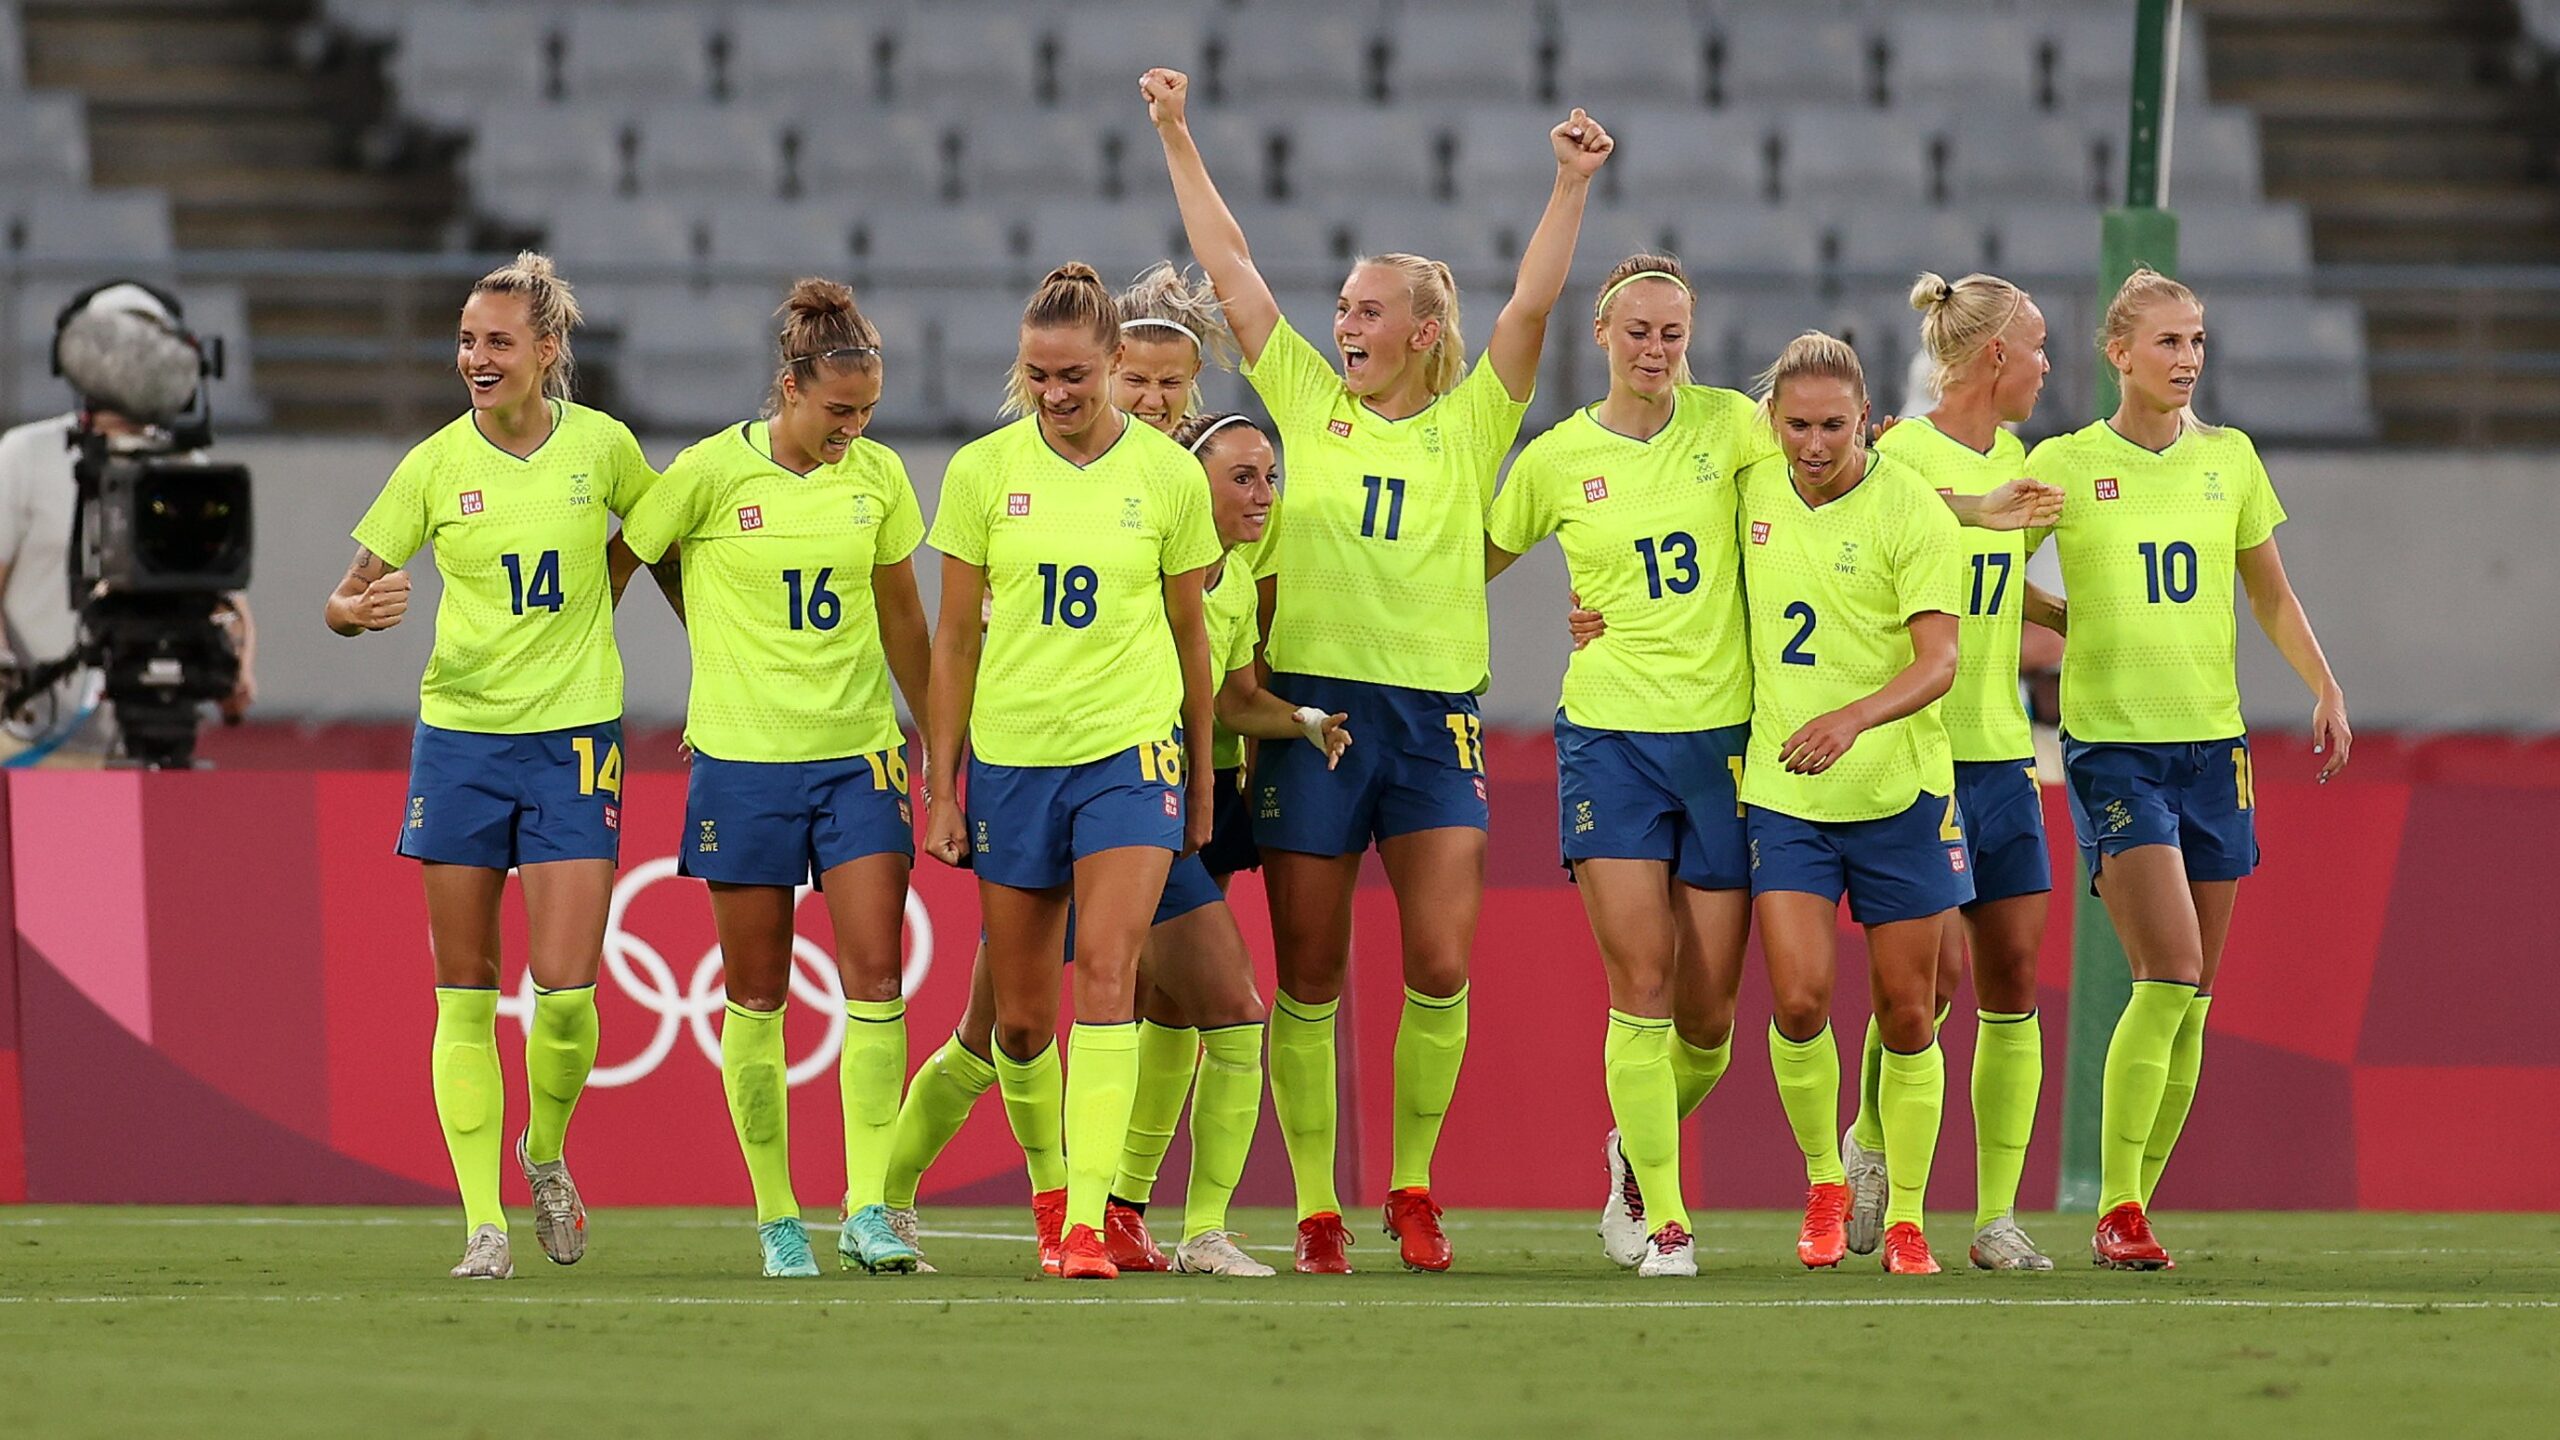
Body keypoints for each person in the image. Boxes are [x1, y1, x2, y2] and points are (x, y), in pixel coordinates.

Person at [1145, 63, 1611, 1274]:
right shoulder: (1300, 397)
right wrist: (1177, 133)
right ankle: (1313, 1205)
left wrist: (1567, 185)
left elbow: (1529, 309)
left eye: (1364, 311)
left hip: (1433, 721)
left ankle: (1409, 1184)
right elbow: (1235, 269)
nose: (1341, 325)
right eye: (1341, 308)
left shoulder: (1471, 423)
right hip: (1309, 714)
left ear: (1419, 330)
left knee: (1442, 962)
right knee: (1307, 972)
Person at [324, 252, 669, 1279]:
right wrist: (356, 613)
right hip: (462, 740)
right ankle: (481, 1224)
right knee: (463, 990)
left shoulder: (602, 449)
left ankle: (544, 1152)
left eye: (498, 342)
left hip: (573, 741)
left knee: (564, 996)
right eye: (468, 341)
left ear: (547, 352)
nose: (476, 358)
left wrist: (600, 600)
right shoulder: (433, 466)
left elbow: (655, 542)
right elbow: (347, 596)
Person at [2025, 266, 2350, 1270]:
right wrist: (2054, 620)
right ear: (2116, 353)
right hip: (2115, 746)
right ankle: (2116, 1205)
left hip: (2216, 748)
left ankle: (2131, 1206)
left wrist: (2324, 686)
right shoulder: (2068, 464)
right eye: (2166, 342)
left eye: (2196, 341)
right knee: (2166, 970)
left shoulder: (2232, 460)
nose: (2186, 359)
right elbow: (1971, 571)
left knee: (2194, 992)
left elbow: (2269, 596)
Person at [616, 278, 931, 1278]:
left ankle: (870, 1207)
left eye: (867, 411)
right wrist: (698, 624)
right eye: (839, 410)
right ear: (787, 387)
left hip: (858, 757)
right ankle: (775, 1216)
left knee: (875, 981)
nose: (854, 428)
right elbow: (625, 561)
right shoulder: (709, 472)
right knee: (756, 996)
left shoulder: (877, 479)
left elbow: (906, 624)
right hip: (743, 761)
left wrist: (945, 756)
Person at [921, 261, 1220, 1281]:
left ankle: (1089, 1225)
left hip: (1131, 756)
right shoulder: (978, 474)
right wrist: (942, 784)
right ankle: (1053, 1190)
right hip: (1013, 762)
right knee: (1016, 1015)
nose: (1056, 395)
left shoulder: (1170, 478)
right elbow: (954, 641)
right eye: (1039, 376)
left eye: (1075, 376)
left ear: (1111, 363)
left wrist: (1202, 777)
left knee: (1109, 974)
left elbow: (1191, 638)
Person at [1482, 254, 1770, 1278]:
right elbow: (1465, 558)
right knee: (1641, 983)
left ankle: (1631, 1157)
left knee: (1708, 1021)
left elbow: (1841, 490)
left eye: (1671, 334)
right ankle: (1669, 1223)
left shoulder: (1736, 426)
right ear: (1600, 335)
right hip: (1607, 737)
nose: (1655, 350)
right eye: (1637, 332)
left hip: (1726, 742)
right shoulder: (1557, 458)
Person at [1847, 271, 2067, 1271]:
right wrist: (1982, 508)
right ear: (1992, 358)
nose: (2045, 368)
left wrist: (2078, 616)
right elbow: (1901, 520)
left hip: (2002, 753)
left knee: (2013, 977)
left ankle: (1994, 1217)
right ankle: (1871, 1151)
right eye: (2037, 350)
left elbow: (2007, 592)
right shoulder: (1899, 453)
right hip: (1919, 758)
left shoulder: (2018, 458)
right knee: (1924, 988)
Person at [1739, 332, 1967, 1276]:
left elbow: (1940, 662)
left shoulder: (1910, 510)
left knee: (1910, 1012)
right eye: (1797, 425)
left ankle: (1907, 1213)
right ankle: (1826, 1182)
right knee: (1797, 1000)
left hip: (1897, 790)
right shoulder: (1748, 484)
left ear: (1869, 421)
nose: (1814, 443)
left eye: (1834, 424)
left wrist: (1852, 718)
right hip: (1784, 791)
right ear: (1773, 423)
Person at [0, 282, 258, 764]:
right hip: (34, 740)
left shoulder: (189, 468)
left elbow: (222, 597)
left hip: (150, 722)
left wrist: (234, 661)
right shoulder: (25, 455)